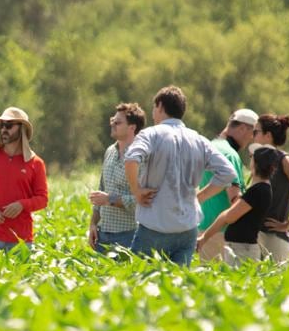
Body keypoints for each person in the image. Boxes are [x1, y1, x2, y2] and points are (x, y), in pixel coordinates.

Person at [124, 86, 238, 265]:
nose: (153, 113)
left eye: (154, 108)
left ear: (160, 106)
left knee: (141, 278)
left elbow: (131, 159)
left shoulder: (150, 134)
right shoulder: (198, 140)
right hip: (187, 228)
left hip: (155, 226)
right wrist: (200, 197)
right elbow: (228, 173)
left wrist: (136, 191)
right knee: (178, 280)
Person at [0, 107, 49, 251]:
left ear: (22, 129)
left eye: (9, 126)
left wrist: (22, 205)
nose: (3, 130)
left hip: (22, 241)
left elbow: (43, 199)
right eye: (1, 126)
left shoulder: (36, 163)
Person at [197, 147, 280, 267]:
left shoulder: (258, 190)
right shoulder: (261, 189)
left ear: (254, 164)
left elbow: (229, 217)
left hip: (242, 250)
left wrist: (205, 237)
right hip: (243, 248)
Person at [196, 108, 257, 262]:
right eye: (253, 133)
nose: (252, 139)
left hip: (202, 227)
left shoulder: (209, 146)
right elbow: (234, 199)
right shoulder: (230, 154)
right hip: (221, 233)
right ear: (242, 128)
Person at [253, 113, 289, 264]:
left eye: (256, 132)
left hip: (275, 237)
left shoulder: (283, 159)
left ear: (268, 135)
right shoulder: (258, 159)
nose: (253, 136)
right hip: (256, 233)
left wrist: (287, 225)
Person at [88, 102, 146, 254]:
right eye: (112, 120)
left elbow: (141, 200)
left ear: (132, 128)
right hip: (102, 234)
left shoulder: (140, 157)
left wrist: (110, 199)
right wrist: (93, 224)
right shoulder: (110, 151)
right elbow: (101, 189)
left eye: (118, 122)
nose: (112, 124)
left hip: (128, 236)